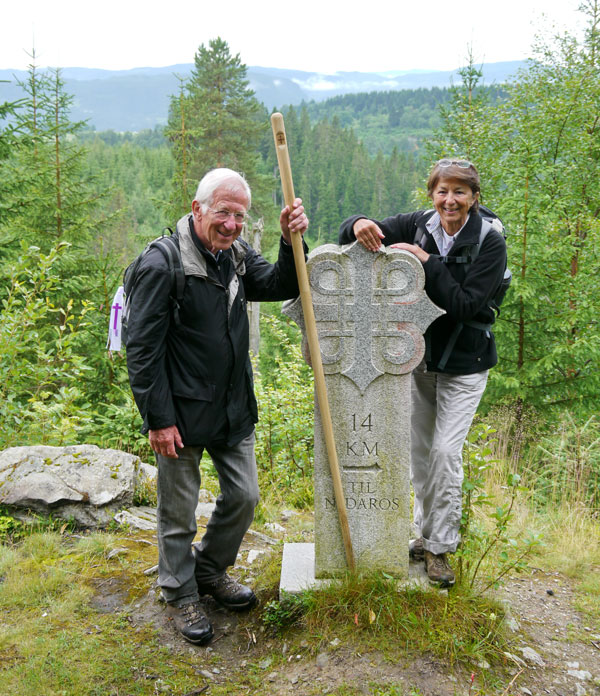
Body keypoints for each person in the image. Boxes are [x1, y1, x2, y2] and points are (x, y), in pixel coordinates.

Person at [126, 168, 308, 643]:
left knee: (244, 496)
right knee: (178, 512)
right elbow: (142, 350)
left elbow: (278, 285)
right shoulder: (162, 264)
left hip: (232, 407)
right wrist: (158, 420)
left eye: (240, 215)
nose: (231, 224)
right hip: (181, 415)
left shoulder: (236, 255)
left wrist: (291, 242)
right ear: (197, 209)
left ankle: (209, 571)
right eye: (223, 212)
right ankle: (180, 593)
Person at [338, 159, 506, 587]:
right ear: (431, 193)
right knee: (420, 454)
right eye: (442, 191)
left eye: (460, 192)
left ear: (474, 196)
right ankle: (424, 535)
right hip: (422, 359)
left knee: (445, 454)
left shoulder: (489, 239)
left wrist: (427, 262)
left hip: (467, 364)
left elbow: (467, 305)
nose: (450, 200)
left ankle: (441, 547)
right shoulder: (418, 223)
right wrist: (360, 223)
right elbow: (349, 233)